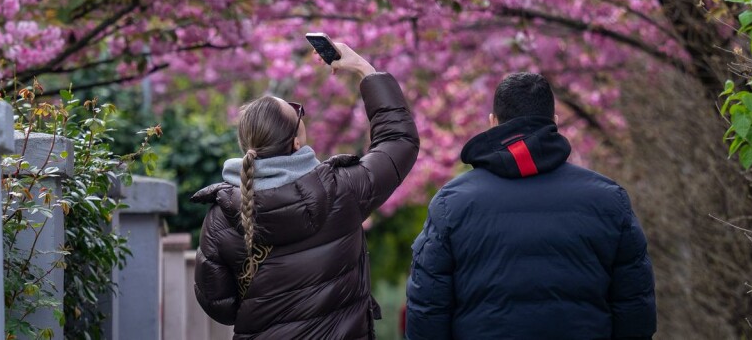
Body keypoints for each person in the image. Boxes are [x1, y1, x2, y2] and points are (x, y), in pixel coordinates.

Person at [192, 40, 420, 339]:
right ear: (296, 141)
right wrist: (365, 70)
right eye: (298, 112)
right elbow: (399, 142)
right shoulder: (342, 190)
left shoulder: (221, 215)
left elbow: (218, 304)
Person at [406, 72, 656, 340]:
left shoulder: (451, 203)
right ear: (555, 123)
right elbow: (635, 308)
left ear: (492, 123)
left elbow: (427, 310)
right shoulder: (608, 199)